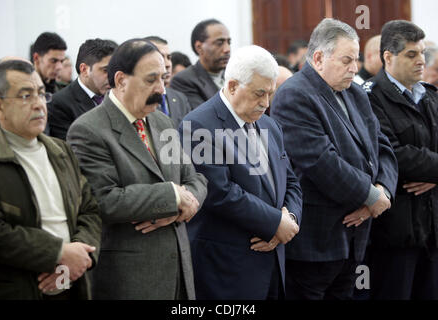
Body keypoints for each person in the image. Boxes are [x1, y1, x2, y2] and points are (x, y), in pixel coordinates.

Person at [67, 38, 208, 300]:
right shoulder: (88, 130)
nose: (161, 90)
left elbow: (195, 179)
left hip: (179, 271)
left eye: (164, 79)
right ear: (120, 80)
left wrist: (183, 206)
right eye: (151, 80)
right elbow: (104, 200)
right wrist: (172, 197)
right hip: (130, 278)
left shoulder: (162, 122)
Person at [271, 18, 398, 300]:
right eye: (346, 60)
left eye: (356, 59)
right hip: (316, 243)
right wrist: (368, 196)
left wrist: (383, 192)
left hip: (355, 237)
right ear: (318, 58)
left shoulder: (355, 92)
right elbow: (320, 162)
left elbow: (383, 146)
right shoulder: (294, 94)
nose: (355, 67)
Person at [179, 45, 302, 299]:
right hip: (228, 269)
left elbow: (290, 180)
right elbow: (219, 192)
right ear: (233, 86)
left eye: (270, 93)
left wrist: (288, 219)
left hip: (273, 262)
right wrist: (273, 223)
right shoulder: (198, 125)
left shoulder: (269, 124)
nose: (266, 103)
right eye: (259, 93)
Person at [0, 59, 101, 300]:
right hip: (18, 287)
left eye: (41, 94)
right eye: (25, 96)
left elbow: (90, 210)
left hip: (72, 283)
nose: (39, 105)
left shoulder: (61, 151)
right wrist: (59, 252)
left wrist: (79, 257)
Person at [363, 20, 438, 300]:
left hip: (431, 229)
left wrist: (432, 176)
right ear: (388, 57)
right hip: (394, 232)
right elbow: (394, 155)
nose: (421, 61)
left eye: (422, 54)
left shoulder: (429, 96)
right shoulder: (370, 98)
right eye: (411, 54)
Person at [48, 39, 117, 140]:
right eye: (106, 70)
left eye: (114, 70)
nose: (112, 77)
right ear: (84, 70)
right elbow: (70, 149)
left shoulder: (116, 96)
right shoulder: (59, 104)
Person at [171, 19, 231, 110]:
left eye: (229, 42)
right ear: (199, 47)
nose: (227, 49)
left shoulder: (234, 76)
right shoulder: (184, 81)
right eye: (219, 43)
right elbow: (203, 118)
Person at [144, 36, 192, 128]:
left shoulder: (180, 99)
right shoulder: (139, 98)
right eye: (161, 57)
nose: (167, 64)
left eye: (169, 57)